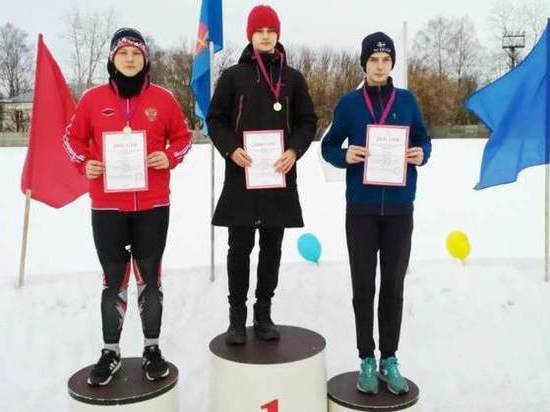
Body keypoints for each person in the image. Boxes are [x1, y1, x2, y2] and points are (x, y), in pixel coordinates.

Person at [63, 27, 192, 386]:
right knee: (113, 279)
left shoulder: (164, 99)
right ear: (112, 59)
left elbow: (183, 139)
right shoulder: (92, 99)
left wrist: (168, 157)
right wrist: (84, 163)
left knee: (150, 277)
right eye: (123, 54)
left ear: (146, 58)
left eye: (136, 53)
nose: (130, 59)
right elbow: (71, 139)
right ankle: (111, 351)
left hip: (152, 204)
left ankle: (152, 348)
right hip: (107, 206)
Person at [321, 32, 431, 395]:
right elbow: (328, 146)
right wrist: (345, 155)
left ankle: (390, 357)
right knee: (364, 286)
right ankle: (366, 357)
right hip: (362, 210)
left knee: (394, 286)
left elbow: (423, 140)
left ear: (392, 64)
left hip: (400, 208)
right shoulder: (350, 104)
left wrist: (421, 154)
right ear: (364, 64)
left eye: (386, 60)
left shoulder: (407, 100)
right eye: (374, 60)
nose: (380, 66)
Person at [206, 5, 317, 345]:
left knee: (272, 248)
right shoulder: (232, 76)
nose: (265, 36)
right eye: (259, 31)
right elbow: (216, 120)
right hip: (242, 176)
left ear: (278, 35)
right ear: (250, 36)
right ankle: (236, 318)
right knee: (239, 249)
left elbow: (307, 121)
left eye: (271, 30)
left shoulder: (294, 78)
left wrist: (294, 150)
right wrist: (230, 148)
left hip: (279, 178)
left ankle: (264, 312)